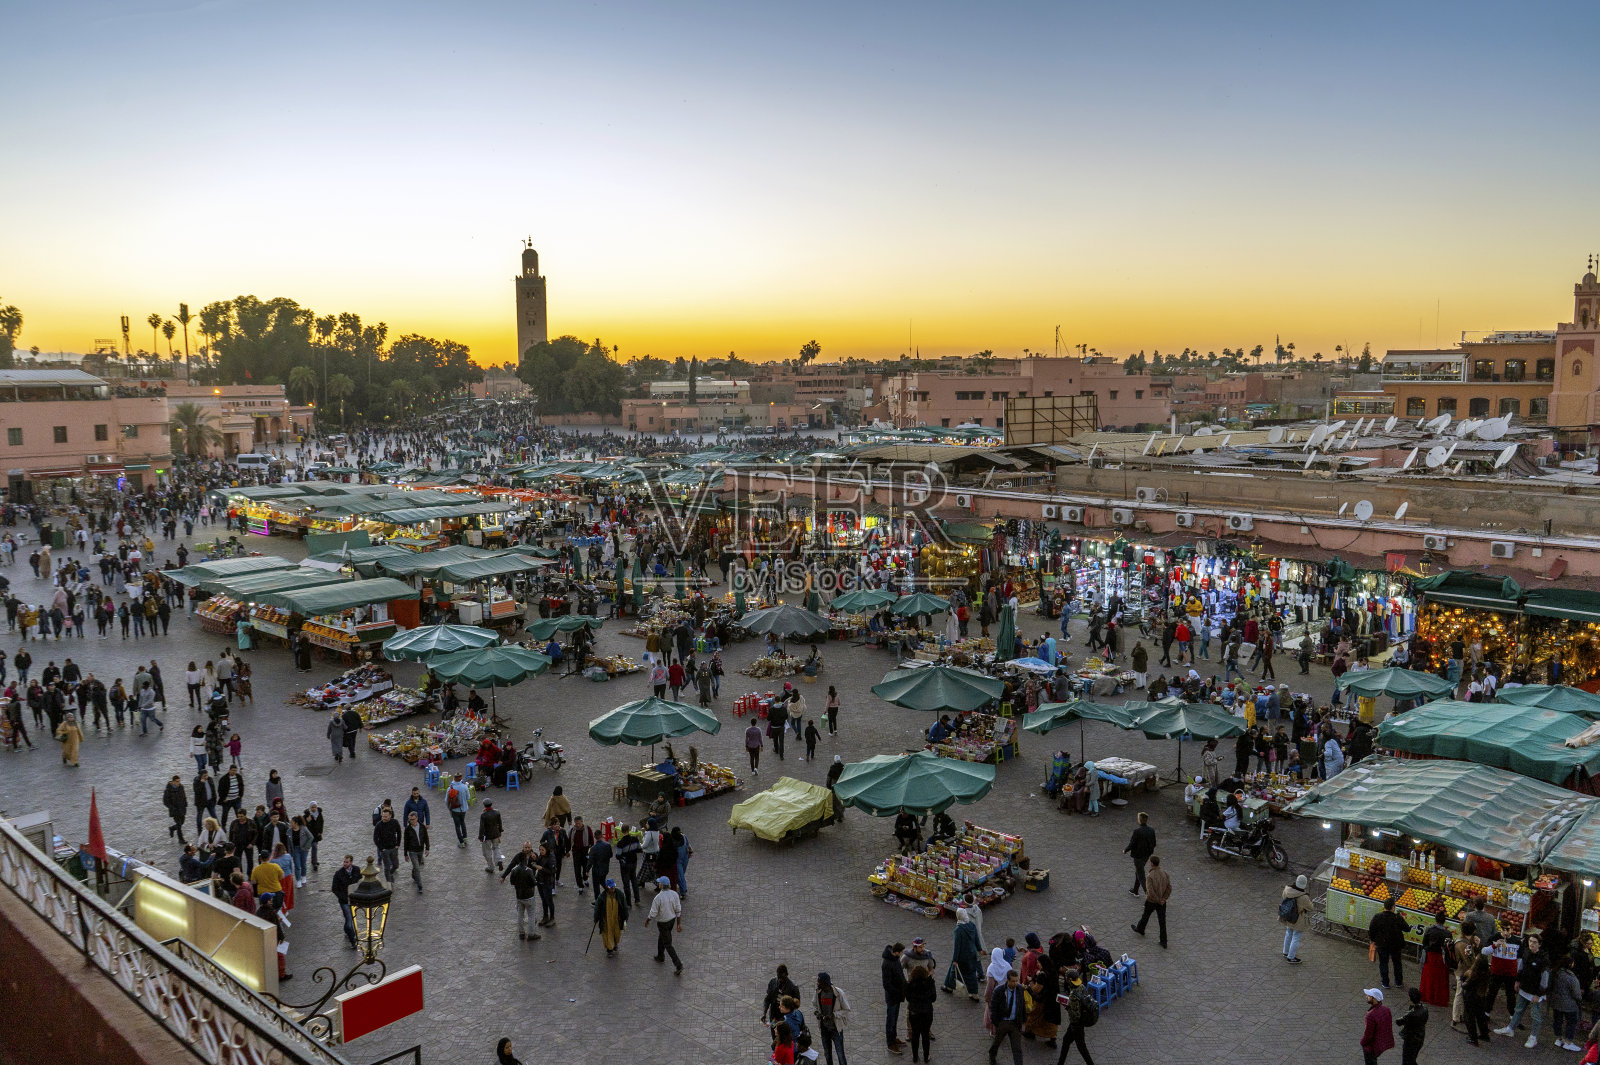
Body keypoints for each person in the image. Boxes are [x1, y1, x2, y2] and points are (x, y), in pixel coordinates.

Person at [1495, 931, 1549, 1047]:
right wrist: (1517, 981)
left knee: (1535, 1016)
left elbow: (1545, 978)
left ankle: (1533, 1037)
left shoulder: (1543, 959)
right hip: (1524, 988)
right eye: (1530, 941)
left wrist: (1539, 994)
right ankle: (1510, 1029)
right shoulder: (1526, 953)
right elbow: (1521, 968)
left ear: (1539, 944)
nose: (1531, 944)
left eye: (1534, 942)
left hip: (1535, 992)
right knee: (1518, 1009)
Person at [1368, 898, 1411, 989]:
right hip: (1396, 945)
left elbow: (1371, 929)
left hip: (1382, 944)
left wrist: (1373, 940)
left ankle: (1385, 982)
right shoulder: (1397, 918)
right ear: (1393, 907)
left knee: (1383, 963)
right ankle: (1398, 982)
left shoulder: (1377, 917)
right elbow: (1407, 929)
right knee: (1397, 963)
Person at [1056, 966, 1096, 1065]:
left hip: (1076, 1025)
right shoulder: (1081, 986)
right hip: (1080, 1021)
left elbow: (1074, 1015)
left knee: (1081, 1047)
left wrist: (1067, 1007)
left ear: (1069, 980)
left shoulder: (1073, 995)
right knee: (1066, 1041)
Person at [645, 875, 683, 974]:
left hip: (663, 922)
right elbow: (678, 909)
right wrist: (678, 924)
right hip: (672, 921)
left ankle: (678, 964)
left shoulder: (658, 898)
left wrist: (648, 920)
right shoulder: (674, 894)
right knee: (662, 936)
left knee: (668, 944)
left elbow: (653, 912)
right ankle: (660, 955)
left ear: (661, 885)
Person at [987, 968, 1025, 1065]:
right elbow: (993, 1008)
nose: (1015, 983)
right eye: (1013, 981)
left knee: (1017, 1049)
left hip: (1015, 1023)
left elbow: (1022, 1005)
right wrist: (996, 1023)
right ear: (1007, 980)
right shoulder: (999, 990)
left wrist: (1023, 1020)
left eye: (1016, 981)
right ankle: (992, 1056)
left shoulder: (1020, 989)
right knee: (997, 1043)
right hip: (1003, 1022)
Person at [1131, 854, 1170, 948]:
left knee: (1146, 915)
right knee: (1162, 921)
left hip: (1152, 901)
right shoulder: (1165, 873)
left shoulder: (1150, 876)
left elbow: (1150, 891)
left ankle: (1140, 929)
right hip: (1162, 902)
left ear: (1152, 864)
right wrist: (1164, 899)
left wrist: (1158, 900)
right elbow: (1169, 888)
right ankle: (1164, 941)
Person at [944, 909, 981, 998]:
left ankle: (949, 987)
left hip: (962, 957)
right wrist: (979, 949)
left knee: (953, 971)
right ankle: (974, 994)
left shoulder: (959, 929)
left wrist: (955, 960)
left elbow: (957, 947)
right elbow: (976, 939)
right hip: (972, 954)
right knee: (972, 974)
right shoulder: (971, 925)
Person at [905, 960, 936, 1064]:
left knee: (915, 1035)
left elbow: (908, 998)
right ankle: (926, 1057)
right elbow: (934, 998)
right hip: (927, 1013)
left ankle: (915, 1057)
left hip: (914, 1013)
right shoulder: (930, 983)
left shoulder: (910, 984)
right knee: (925, 1035)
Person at [1418, 912, 1452, 1006]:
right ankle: (1438, 998)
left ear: (1435, 919)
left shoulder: (1429, 930)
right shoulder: (1448, 933)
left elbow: (1424, 943)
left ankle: (1427, 995)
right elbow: (1448, 947)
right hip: (1441, 958)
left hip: (1430, 956)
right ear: (1444, 921)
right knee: (1440, 979)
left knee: (1428, 977)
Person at [882, 944, 907, 1056]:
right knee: (891, 1020)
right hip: (892, 997)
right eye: (901, 952)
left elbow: (900, 974)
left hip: (898, 995)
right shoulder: (887, 964)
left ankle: (894, 1037)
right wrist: (897, 992)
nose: (901, 954)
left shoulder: (895, 959)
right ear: (896, 952)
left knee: (894, 1019)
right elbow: (886, 984)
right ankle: (890, 1043)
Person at [592, 877, 629, 956]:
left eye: (613, 887)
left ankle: (614, 943)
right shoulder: (602, 897)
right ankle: (609, 949)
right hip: (606, 919)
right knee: (608, 932)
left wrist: (626, 916)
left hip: (617, 918)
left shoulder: (619, 894)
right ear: (607, 887)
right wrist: (596, 917)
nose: (613, 888)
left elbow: (624, 905)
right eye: (611, 887)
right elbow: (597, 907)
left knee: (616, 932)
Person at [330, 854, 360, 949]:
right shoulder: (338, 874)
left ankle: (347, 930)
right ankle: (353, 941)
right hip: (345, 901)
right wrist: (343, 897)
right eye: (344, 862)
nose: (344, 864)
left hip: (354, 900)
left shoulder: (357, 870)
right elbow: (334, 888)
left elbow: (360, 882)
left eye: (347, 862)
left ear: (351, 862)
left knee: (349, 919)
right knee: (349, 921)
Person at [1123, 811, 1156, 895]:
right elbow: (1154, 843)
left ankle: (1149, 894)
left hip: (1138, 856)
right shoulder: (1151, 830)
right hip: (1146, 855)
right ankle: (1135, 890)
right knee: (1138, 871)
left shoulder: (1137, 831)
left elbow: (1132, 843)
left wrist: (1125, 850)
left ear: (1139, 820)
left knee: (1141, 875)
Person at [1361, 987, 1395, 1064]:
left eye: (1369, 996)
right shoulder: (1386, 1010)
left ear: (1375, 999)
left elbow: (1368, 1034)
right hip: (1380, 1044)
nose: (1366, 997)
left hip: (1371, 1047)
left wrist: (1363, 1042)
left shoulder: (1371, 1015)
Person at [1281, 874, 1311, 963]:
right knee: (1296, 937)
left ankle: (1285, 952)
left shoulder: (1287, 890)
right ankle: (1291, 957)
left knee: (1288, 933)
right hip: (1298, 919)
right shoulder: (1304, 897)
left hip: (1288, 916)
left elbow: (1283, 898)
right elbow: (1311, 908)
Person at [1395, 987, 1427, 1065]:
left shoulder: (1411, 1014)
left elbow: (1399, 1022)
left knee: (1407, 1060)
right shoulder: (1425, 1009)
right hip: (1420, 1037)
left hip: (1411, 1039)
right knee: (1412, 1058)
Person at [373, 807, 401, 884]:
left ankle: (390, 874)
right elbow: (375, 838)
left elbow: (399, 833)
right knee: (387, 867)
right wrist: (381, 848)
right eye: (382, 816)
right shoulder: (379, 825)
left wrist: (398, 844)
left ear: (390, 816)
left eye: (385, 816)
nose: (383, 818)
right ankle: (389, 883)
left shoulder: (395, 822)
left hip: (393, 848)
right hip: (384, 850)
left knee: (396, 865)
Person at [402, 810, 429, 893]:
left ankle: (414, 875)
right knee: (417, 868)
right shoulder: (408, 829)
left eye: (413, 819)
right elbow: (406, 842)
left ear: (417, 818)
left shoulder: (422, 827)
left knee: (417, 866)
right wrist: (405, 854)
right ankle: (420, 886)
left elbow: (426, 837)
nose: (411, 821)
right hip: (412, 851)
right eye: (410, 820)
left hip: (420, 850)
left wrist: (427, 848)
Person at [479, 800, 505, 873]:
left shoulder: (483, 815)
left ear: (484, 805)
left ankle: (491, 867)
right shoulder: (497, 812)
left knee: (487, 851)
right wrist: (500, 831)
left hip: (487, 836)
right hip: (496, 834)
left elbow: (482, 827)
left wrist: (480, 836)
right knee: (496, 847)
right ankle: (499, 860)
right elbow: (500, 823)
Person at [445, 774, 470, 847]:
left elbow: (446, 800)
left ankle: (461, 842)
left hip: (455, 810)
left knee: (457, 826)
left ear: (454, 778)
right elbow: (468, 798)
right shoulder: (464, 787)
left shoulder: (450, 788)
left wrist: (449, 808)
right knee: (463, 822)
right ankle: (465, 838)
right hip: (463, 809)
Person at [163, 774, 189, 844]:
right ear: (173, 782)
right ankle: (181, 839)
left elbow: (184, 796)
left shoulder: (181, 787)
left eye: (179, 781)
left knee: (182, 822)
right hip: (175, 810)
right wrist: (172, 807)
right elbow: (165, 801)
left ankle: (172, 828)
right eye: (177, 781)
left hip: (182, 808)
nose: (178, 783)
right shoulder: (168, 790)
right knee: (179, 824)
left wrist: (185, 803)